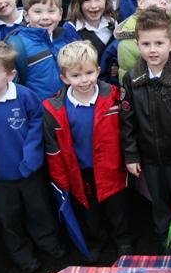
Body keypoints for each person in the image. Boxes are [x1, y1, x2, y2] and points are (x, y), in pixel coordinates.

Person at [0, 42, 64, 272]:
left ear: (11, 75)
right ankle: (21, 253)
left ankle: (48, 241)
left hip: (29, 170)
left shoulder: (24, 96)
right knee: (8, 218)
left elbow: (36, 123)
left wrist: (31, 156)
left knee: (39, 209)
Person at [120, 8, 171, 242]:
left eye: (159, 43)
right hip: (150, 158)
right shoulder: (132, 78)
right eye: (146, 44)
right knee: (159, 202)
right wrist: (131, 155)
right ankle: (164, 241)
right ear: (137, 44)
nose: (153, 49)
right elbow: (127, 120)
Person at [43, 40, 130, 258]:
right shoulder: (54, 107)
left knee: (117, 208)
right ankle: (97, 239)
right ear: (64, 77)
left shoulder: (114, 95)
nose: (84, 80)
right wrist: (60, 179)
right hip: (81, 170)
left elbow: (127, 131)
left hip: (112, 167)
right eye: (76, 75)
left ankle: (123, 240)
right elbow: (53, 149)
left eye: (90, 73)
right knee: (89, 210)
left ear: (98, 70)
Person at [6, 0, 80, 101]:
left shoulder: (66, 38)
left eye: (51, 11)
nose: (45, 17)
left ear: (60, 14)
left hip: (69, 108)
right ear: (26, 16)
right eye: (37, 12)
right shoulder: (16, 45)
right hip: (38, 112)